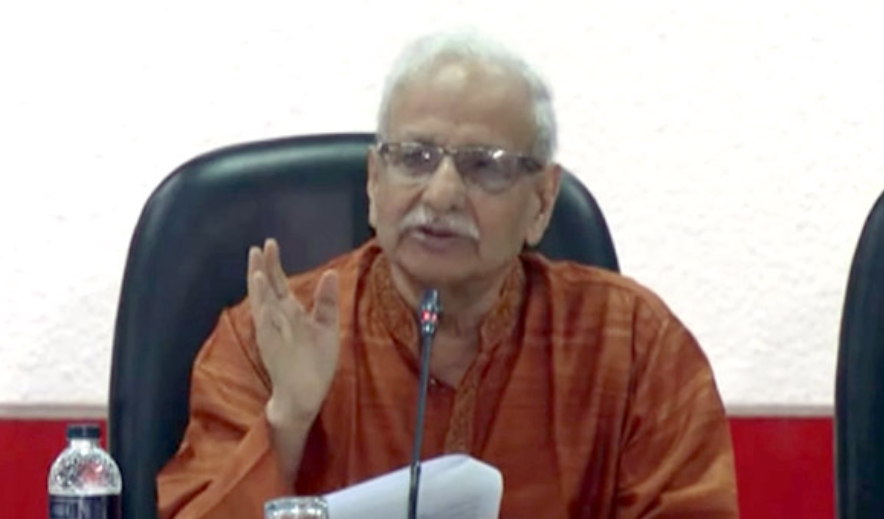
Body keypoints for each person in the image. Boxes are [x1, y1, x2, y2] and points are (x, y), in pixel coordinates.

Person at [156, 30, 738, 518]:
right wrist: (287, 422)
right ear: (373, 182)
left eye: (485, 166)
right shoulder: (267, 341)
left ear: (541, 201)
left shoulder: (634, 348)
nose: (441, 194)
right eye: (414, 158)